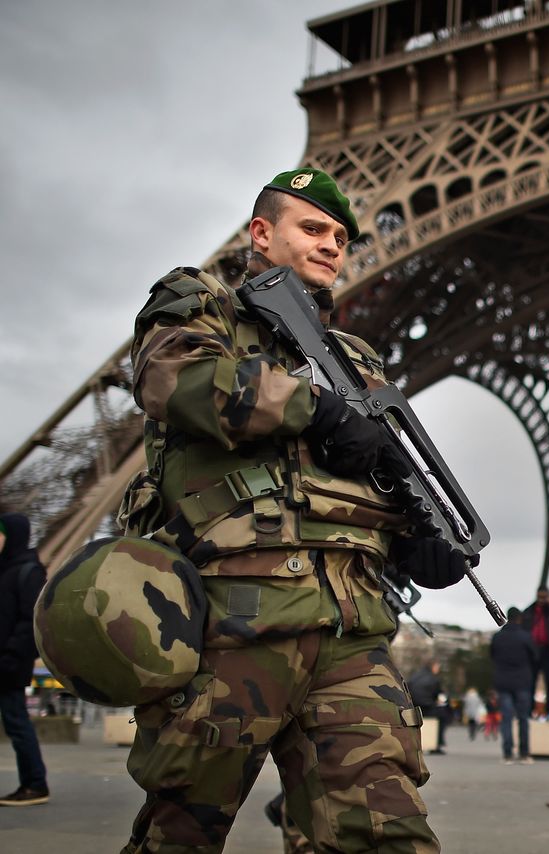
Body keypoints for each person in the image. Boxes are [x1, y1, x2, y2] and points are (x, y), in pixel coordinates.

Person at [120, 168, 475, 852]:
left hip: (351, 629)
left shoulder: (355, 357)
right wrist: (315, 405)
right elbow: (177, 380)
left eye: (341, 236)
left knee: (386, 836)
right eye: (313, 228)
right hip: (233, 624)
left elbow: (378, 472)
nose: (332, 245)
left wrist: (418, 536)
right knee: (179, 838)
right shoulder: (202, 307)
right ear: (262, 233)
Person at [0, 512, 49, 807]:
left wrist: (10, 658)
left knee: (17, 722)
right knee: (16, 721)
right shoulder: (6, 570)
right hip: (5, 660)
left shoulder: (28, 571)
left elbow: (29, 621)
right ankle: (33, 782)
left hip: (9, 664)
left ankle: (35, 784)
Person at [490, 607, 537, 765]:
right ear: (520, 619)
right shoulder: (526, 637)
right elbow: (535, 657)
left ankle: (507, 753)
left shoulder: (497, 637)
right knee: (523, 718)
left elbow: (493, 656)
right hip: (522, 681)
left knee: (506, 718)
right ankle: (524, 753)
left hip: (503, 681)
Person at [408, 661, 447, 755]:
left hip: (414, 705)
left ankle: (414, 744)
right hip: (428, 706)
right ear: (433, 667)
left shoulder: (415, 676)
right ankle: (436, 745)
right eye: (437, 667)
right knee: (442, 717)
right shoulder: (433, 678)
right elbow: (439, 694)